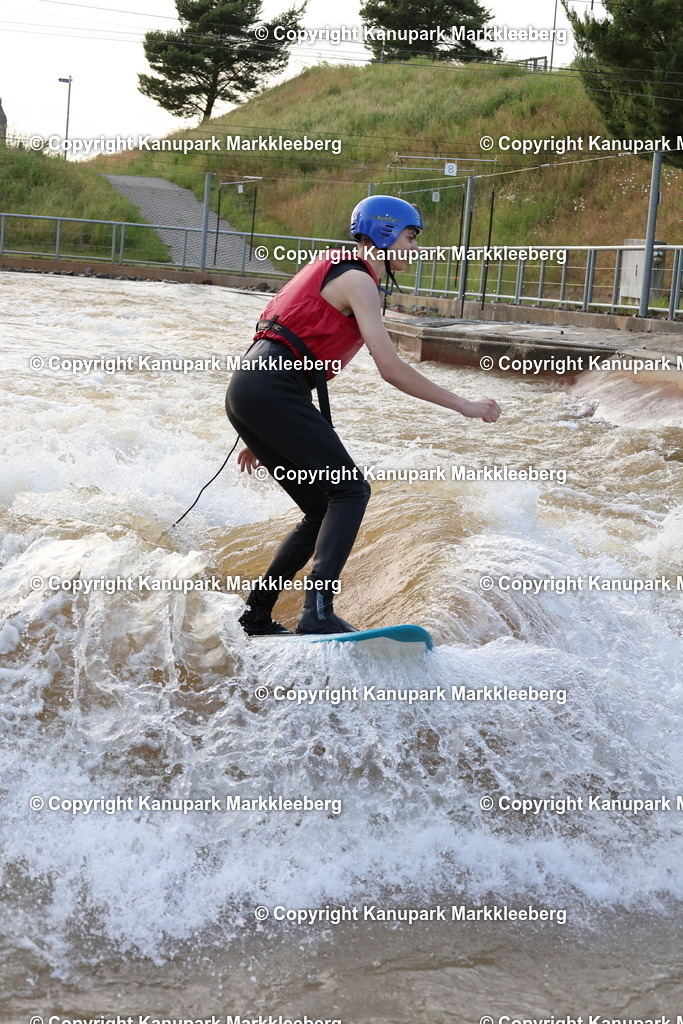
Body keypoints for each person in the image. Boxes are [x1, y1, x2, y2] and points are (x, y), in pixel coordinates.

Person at [226, 195, 501, 636]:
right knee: (350, 491)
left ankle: (255, 615)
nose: (415, 248)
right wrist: (464, 405)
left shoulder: (344, 272)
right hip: (269, 391)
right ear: (385, 234)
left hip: (253, 392)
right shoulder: (358, 279)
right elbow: (391, 369)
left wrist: (259, 431)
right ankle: (317, 612)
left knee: (320, 509)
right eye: (411, 237)